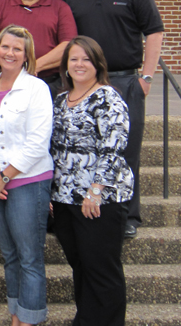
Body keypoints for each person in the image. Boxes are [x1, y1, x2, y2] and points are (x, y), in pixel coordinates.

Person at [63, 0, 164, 238]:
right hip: (85, 83)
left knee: (126, 150)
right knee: (86, 148)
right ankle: (81, 206)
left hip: (124, 79)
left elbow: (155, 32)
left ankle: (127, 214)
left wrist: (146, 77)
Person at [0, 25, 53, 326]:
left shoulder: (37, 89)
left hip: (27, 183)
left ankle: (28, 320)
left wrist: (2, 177)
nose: (10, 53)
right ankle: (17, 314)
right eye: (5, 47)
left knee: (30, 257)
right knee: (9, 255)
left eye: (18, 49)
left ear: (27, 55)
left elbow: (37, 143)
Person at [51, 36, 133, 325]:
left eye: (86, 59)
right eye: (74, 59)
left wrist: (95, 190)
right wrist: (52, 192)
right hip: (64, 198)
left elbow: (114, 148)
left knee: (102, 269)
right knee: (81, 267)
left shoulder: (108, 98)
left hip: (99, 201)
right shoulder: (61, 99)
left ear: (98, 64)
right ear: (66, 65)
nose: (79, 64)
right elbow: (55, 149)